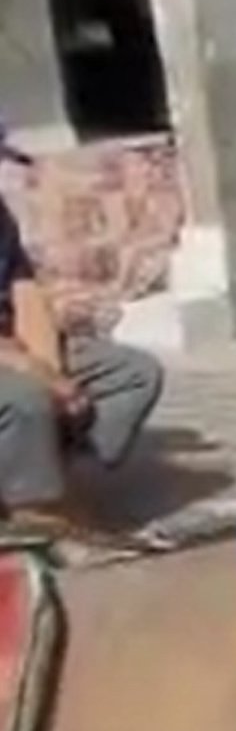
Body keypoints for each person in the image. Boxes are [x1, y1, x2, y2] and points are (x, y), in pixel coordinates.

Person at [0, 178, 165, 542]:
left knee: (133, 375)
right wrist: (35, 373)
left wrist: (54, 373)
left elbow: (25, 291)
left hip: (12, 347)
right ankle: (33, 510)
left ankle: (50, 480)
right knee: (26, 397)